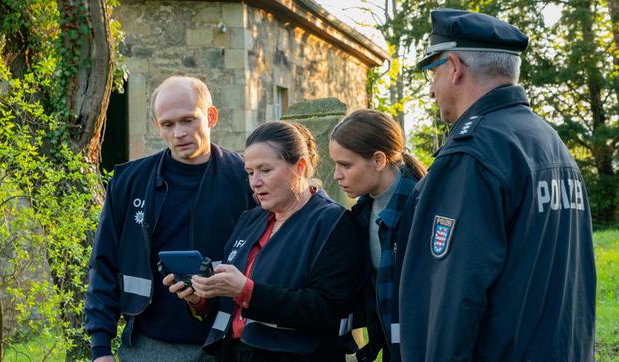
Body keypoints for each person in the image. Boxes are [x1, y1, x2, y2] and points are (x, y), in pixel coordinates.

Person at [398, 9, 596, 361]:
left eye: (433, 73)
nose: (431, 91)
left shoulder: (472, 155)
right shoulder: (547, 140)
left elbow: (452, 298)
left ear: (455, 67)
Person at [84, 76, 255, 361]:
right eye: (168, 124)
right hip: (147, 346)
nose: (179, 133)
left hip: (228, 345)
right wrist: (100, 348)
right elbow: (104, 262)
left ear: (211, 117)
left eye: (188, 120)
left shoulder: (246, 178)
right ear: (157, 126)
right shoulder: (129, 181)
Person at [165, 121, 362, 361]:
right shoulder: (251, 219)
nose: (254, 182)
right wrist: (200, 300)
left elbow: (327, 309)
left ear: (299, 167)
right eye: (249, 172)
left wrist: (247, 291)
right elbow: (232, 306)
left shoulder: (334, 222)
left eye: (265, 170)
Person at [328, 109, 426, 362]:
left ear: (379, 160)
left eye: (346, 165)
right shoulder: (362, 211)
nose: (337, 175)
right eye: (335, 165)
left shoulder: (423, 207)